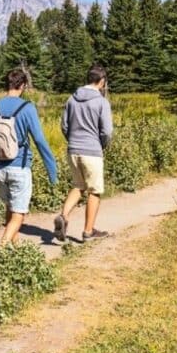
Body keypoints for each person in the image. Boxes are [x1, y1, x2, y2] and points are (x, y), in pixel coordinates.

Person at [0, 68, 59, 245]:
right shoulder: (27, 108)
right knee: (19, 213)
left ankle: (15, 248)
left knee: (10, 207)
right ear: (23, 85)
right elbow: (39, 140)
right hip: (19, 166)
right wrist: (52, 169)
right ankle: (3, 246)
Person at [54, 65, 113, 242]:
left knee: (79, 185)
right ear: (102, 81)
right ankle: (88, 231)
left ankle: (63, 216)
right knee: (94, 191)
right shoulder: (101, 102)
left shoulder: (72, 99)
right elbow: (107, 131)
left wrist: (72, 140)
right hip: (92, 150)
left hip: (73, 149)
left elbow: (64, 126)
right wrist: (101, 145)